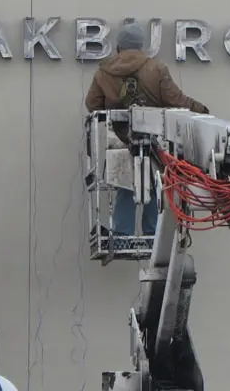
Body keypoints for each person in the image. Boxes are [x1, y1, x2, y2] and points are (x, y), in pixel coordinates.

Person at [85, 23, 209, 239]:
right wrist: (202, 110)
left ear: (119, 46)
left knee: (125, 181)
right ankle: (153, 231)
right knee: (157, 182)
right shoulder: (156, 68)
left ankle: (122, 231)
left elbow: (92, 104)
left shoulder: (103, 72)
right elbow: (176, 101)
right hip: (155, 139)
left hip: (121, 139)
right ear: (141, 46)